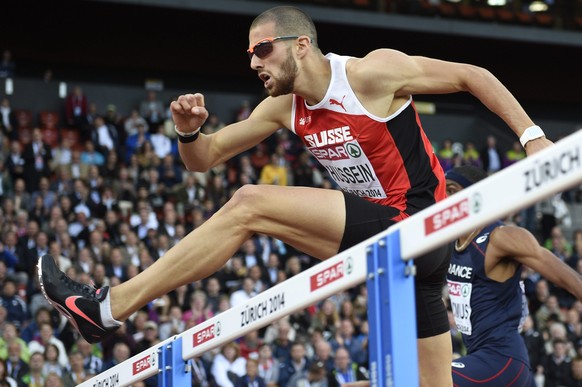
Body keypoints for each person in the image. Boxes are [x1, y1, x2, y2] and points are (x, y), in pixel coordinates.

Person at [38, 6, 552, 386]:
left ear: (300, 45)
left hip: (421, 227)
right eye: (249, 55)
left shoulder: (371, 74)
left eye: (263, 49)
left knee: (249, 203)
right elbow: (205, 159)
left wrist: (532, 139)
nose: (255, 63)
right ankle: (102, 311)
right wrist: (189, 133)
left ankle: (105, 309)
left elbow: (470, 75)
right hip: (397, 254)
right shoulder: (283, 108)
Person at [444, 165, 582, 386]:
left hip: (501, 360)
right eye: (443, 190)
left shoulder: (500, 237)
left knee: (425, 378)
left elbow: (554, 267)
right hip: (479, 356)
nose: (444, 197)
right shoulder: (449, 242)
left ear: (474, 195)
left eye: (452, 190)